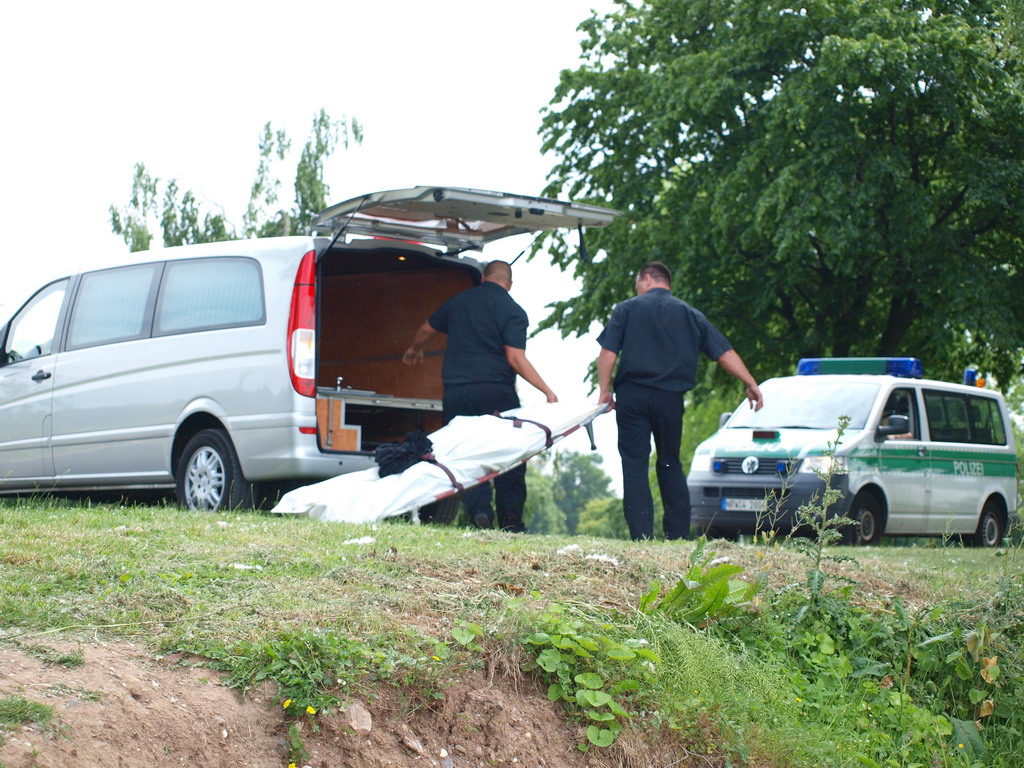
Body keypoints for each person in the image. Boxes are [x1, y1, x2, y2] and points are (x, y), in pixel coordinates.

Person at [596, 261, 763, 541]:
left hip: (633, 397)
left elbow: (608, 352)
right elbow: (723, 353)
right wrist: (750, 382)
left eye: (638, 283)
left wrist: (604, 390)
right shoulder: (690, 314)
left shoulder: (627, 308)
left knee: (634, 464)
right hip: (669, 400)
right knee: (670, 462)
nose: (636, 289)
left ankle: (641, 536)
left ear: (647, 278)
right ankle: (677, 535)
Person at [403, 260, 557, 532]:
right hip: (495, 392)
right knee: (510, 453)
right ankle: (510, 519)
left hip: (457, 392)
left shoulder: (458, 302)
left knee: (466, 453)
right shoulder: (513, 311)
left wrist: (415, 349)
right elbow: (515, 358)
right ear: (509, 284)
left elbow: (427, 329)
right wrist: (547, 391)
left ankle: (479, 511)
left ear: (484, 277)